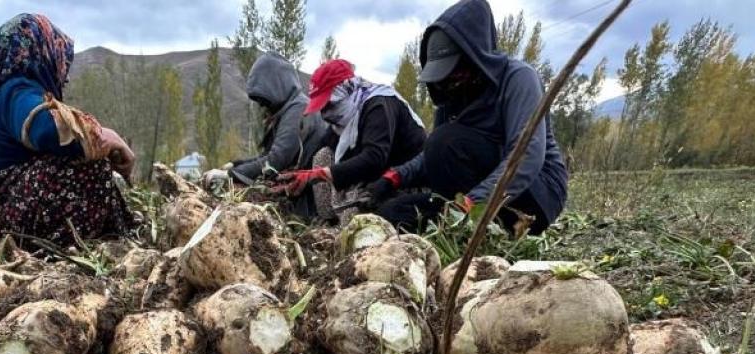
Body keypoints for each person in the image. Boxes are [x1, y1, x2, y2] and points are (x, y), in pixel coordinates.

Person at [369, 0, 568, 235]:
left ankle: (480, 229)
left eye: (454, 72)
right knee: (391, 213)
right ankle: (463, 227)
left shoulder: (519, 79)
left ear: (476, 58)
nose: (449, 82)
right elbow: (432, 154)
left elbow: (526, 157)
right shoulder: (452, 92)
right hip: (470, 200)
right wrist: (394, 177)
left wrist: (470, 204)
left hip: (534, 194)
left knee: (447, 142)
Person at [0, 14, 136, 250]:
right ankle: (63, 246)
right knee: (88, 166)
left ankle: (110, 233)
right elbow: (46, 129)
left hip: (0, 210)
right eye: (61, 63)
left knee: (79, 159)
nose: (64, 76)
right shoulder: (16, 92)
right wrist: (106, 137)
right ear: (42, 54)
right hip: (6, 211)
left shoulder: (2, 95)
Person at [277, 59, 425, 219]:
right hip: (375, 177)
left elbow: (374, 158)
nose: (325, 115)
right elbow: (321, 147)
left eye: (329, 106)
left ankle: (346, 229)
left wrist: (318, 175)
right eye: (322, 109)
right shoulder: (345, 118)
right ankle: (327, 219)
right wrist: (296, 177)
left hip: (403, 183)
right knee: (323, 155)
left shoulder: (379, 106)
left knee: (352, 212)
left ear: (345, 90)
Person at [226, 52, 325, 186]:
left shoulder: (299, 108)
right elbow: (267, 155)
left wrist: (230, 175)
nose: (262, 105)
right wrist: (235, 165)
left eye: (264, 99)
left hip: (309, 194)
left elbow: (277, 159)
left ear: (277, 86)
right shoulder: (289, 108)